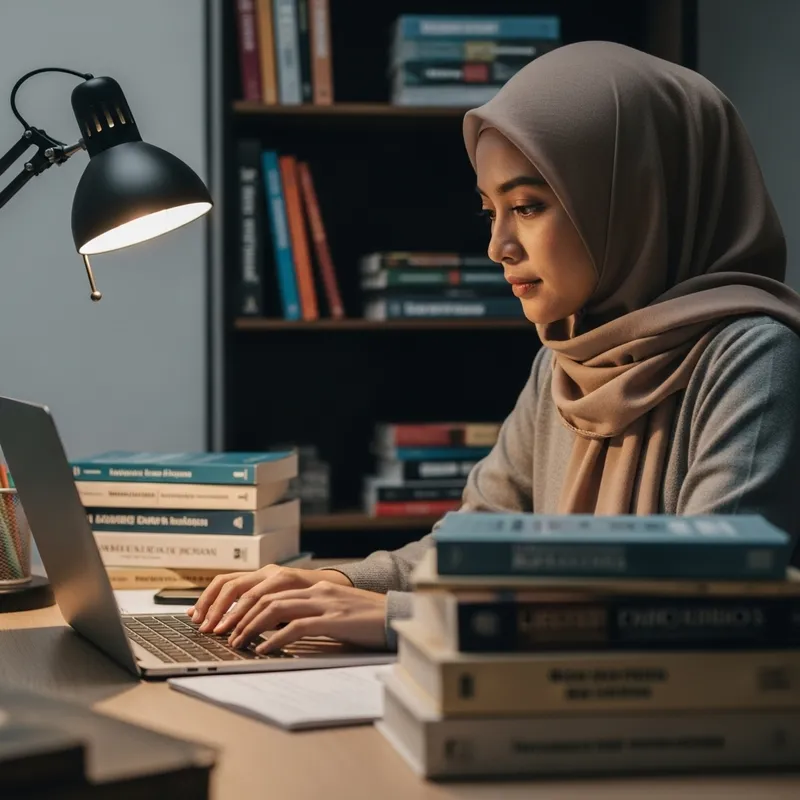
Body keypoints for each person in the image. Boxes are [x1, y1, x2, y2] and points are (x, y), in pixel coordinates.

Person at [189, 40, 800, 655]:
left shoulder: (754, 356)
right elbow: (468, 548)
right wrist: (329, 581)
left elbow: (707, 603)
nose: (498, 246)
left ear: (637, 199)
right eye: (491, 212)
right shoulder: (565, 359)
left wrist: (390, 616)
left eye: (528, 206)